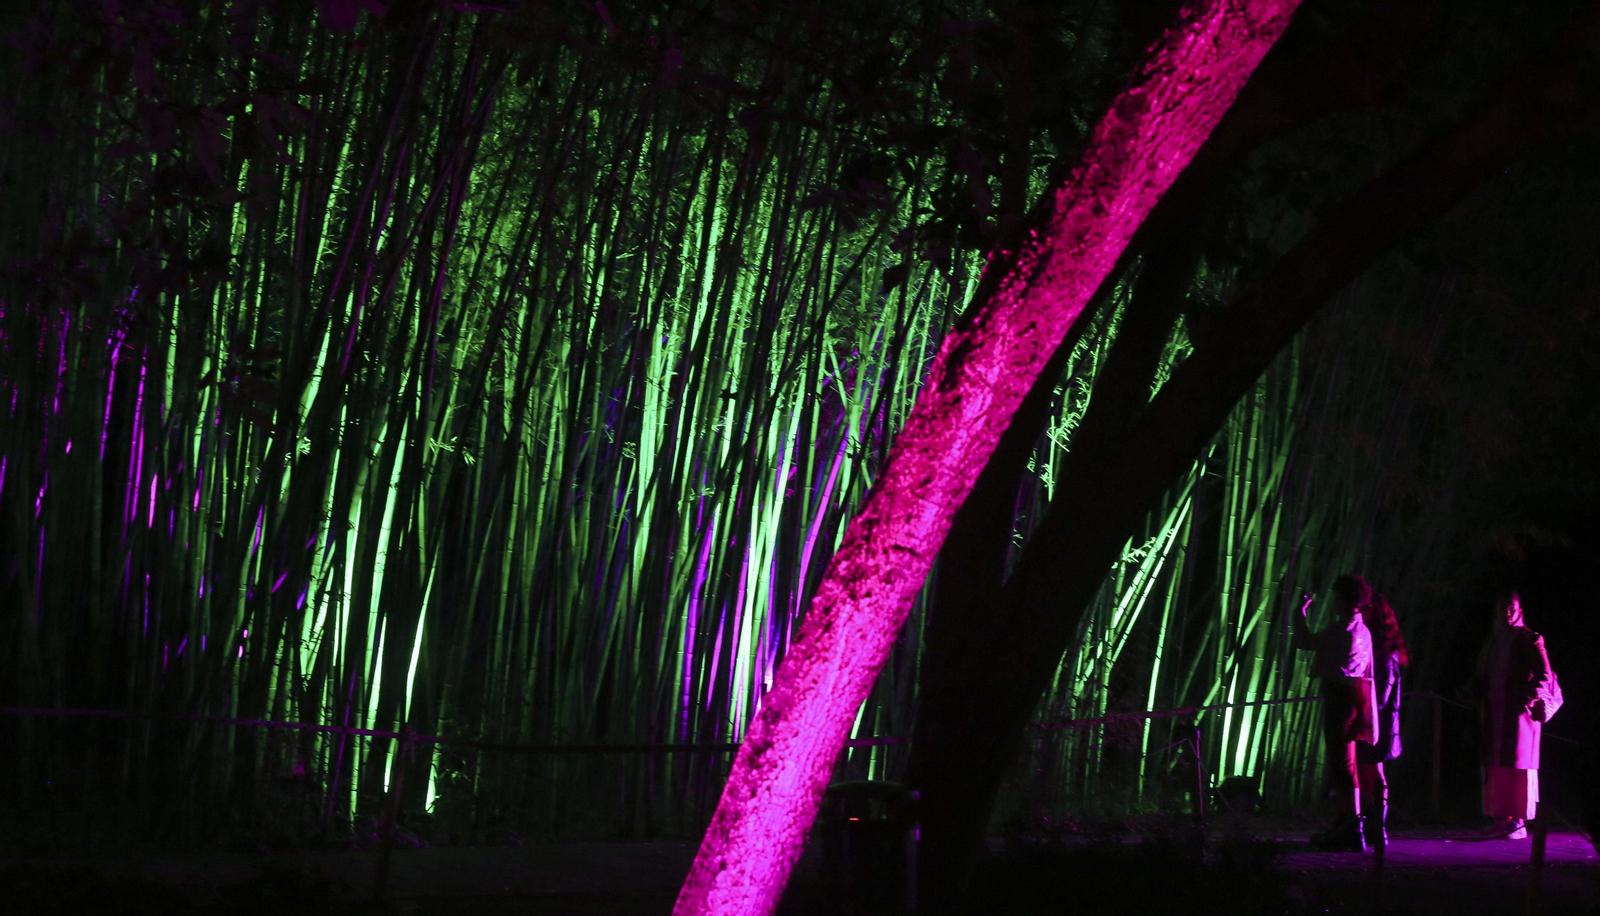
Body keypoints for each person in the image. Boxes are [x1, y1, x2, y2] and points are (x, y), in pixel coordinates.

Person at [1293, 574, 1379, 851]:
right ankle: (1346, 823)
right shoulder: (1362, 630)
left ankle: (1352, 827)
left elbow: (1305, 640)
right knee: (1346, 764)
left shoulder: (1343, 631)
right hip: (1352, 699)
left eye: (1335, 598)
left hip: (1339, 700)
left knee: (1342, 765)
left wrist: (1298, 613)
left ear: (1342, 600)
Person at [1476, 591, 1555, 839]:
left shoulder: (1531, 639)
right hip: (1494, 710)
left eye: (1511, 608)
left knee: (1518, 765)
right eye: (1503, 608)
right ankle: (1501, 817)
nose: (1507, 613)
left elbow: (1545, 675)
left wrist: (1528, 698)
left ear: (1520, 610)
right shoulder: (1492, 640)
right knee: (1497, 763)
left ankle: (1518, 820)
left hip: (1519, 714)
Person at [1357, 591, 1409, 846]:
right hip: (1373, 722)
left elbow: (1381, 698)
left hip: (1378, 723)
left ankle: (1378, 828)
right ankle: (1373, 826)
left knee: (1375, 773)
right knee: (1369, 773)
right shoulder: (1376, 650)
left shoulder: (1385, 655)